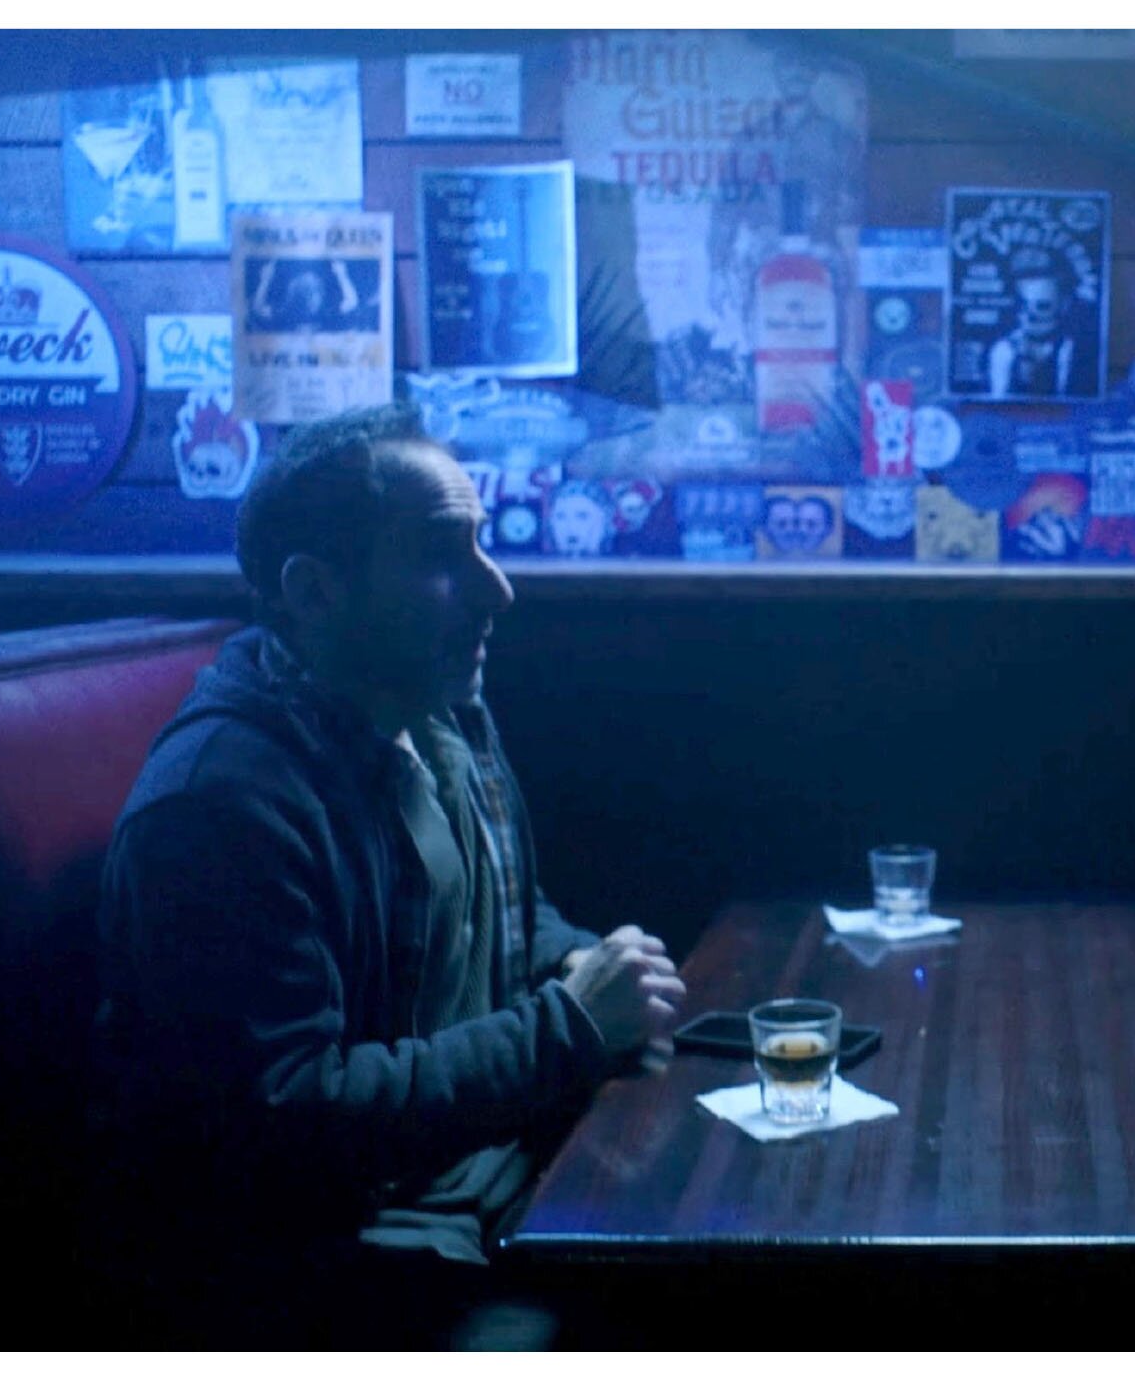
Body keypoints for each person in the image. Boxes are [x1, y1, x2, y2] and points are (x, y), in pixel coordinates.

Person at [90, 402, 688, 1349]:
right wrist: (570, 1029)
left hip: (497, 1184)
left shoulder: (435, 712)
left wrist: (587, 965)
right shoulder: (216, 807)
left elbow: (496, 914)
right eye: (444, 556)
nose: (498, 590)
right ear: (314, 592)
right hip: (350, 1269)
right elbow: (289, 1122)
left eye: (482, 544)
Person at [985, 257, 1082, 398]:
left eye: (1042, 306)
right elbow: (997, 401)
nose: (1030, 315)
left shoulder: (1071, 350)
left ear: (1063, 305)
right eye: (1023, 305)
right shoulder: (1004, 350)